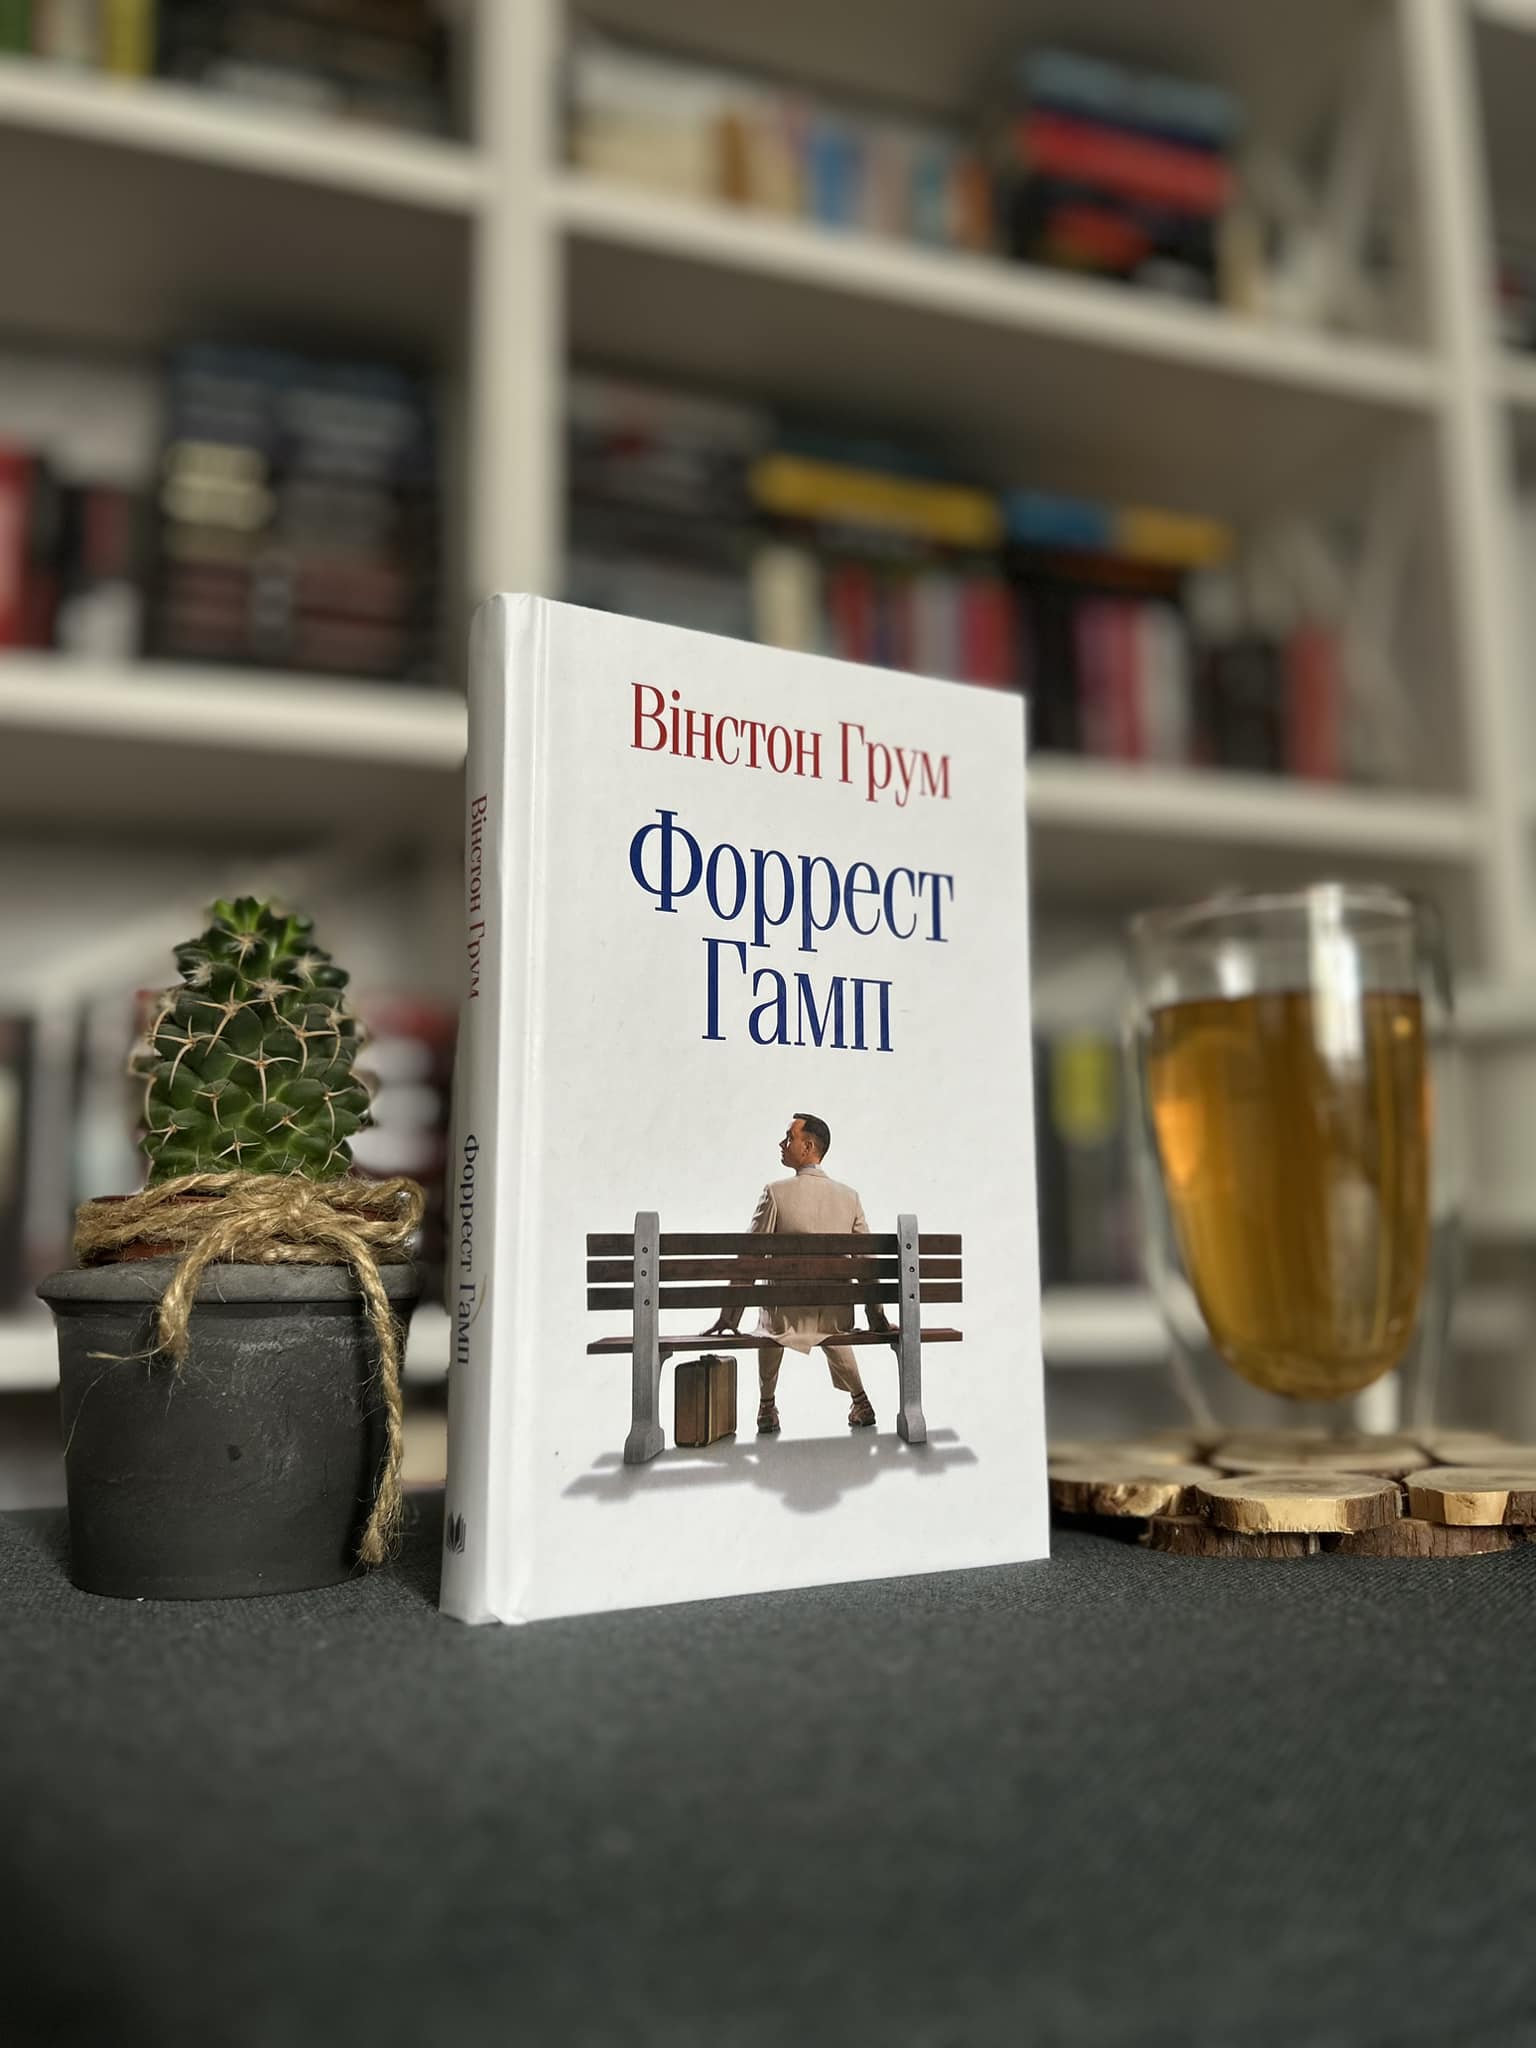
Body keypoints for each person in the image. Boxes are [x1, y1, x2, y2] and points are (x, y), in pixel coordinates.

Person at [705, 1113, 889, 1435]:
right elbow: (867, 1265)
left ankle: (766, 1406)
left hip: (783, 1316)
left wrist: (729, 1317)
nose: (782, 1143)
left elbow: (748, 1259)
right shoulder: (849, 1198)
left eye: (789, 1137)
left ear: (808, 1147)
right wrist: (877, 1319)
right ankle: (860, 1400)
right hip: (834, 1315)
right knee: (829, 1321)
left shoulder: (775, 1193)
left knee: (770, 1324)